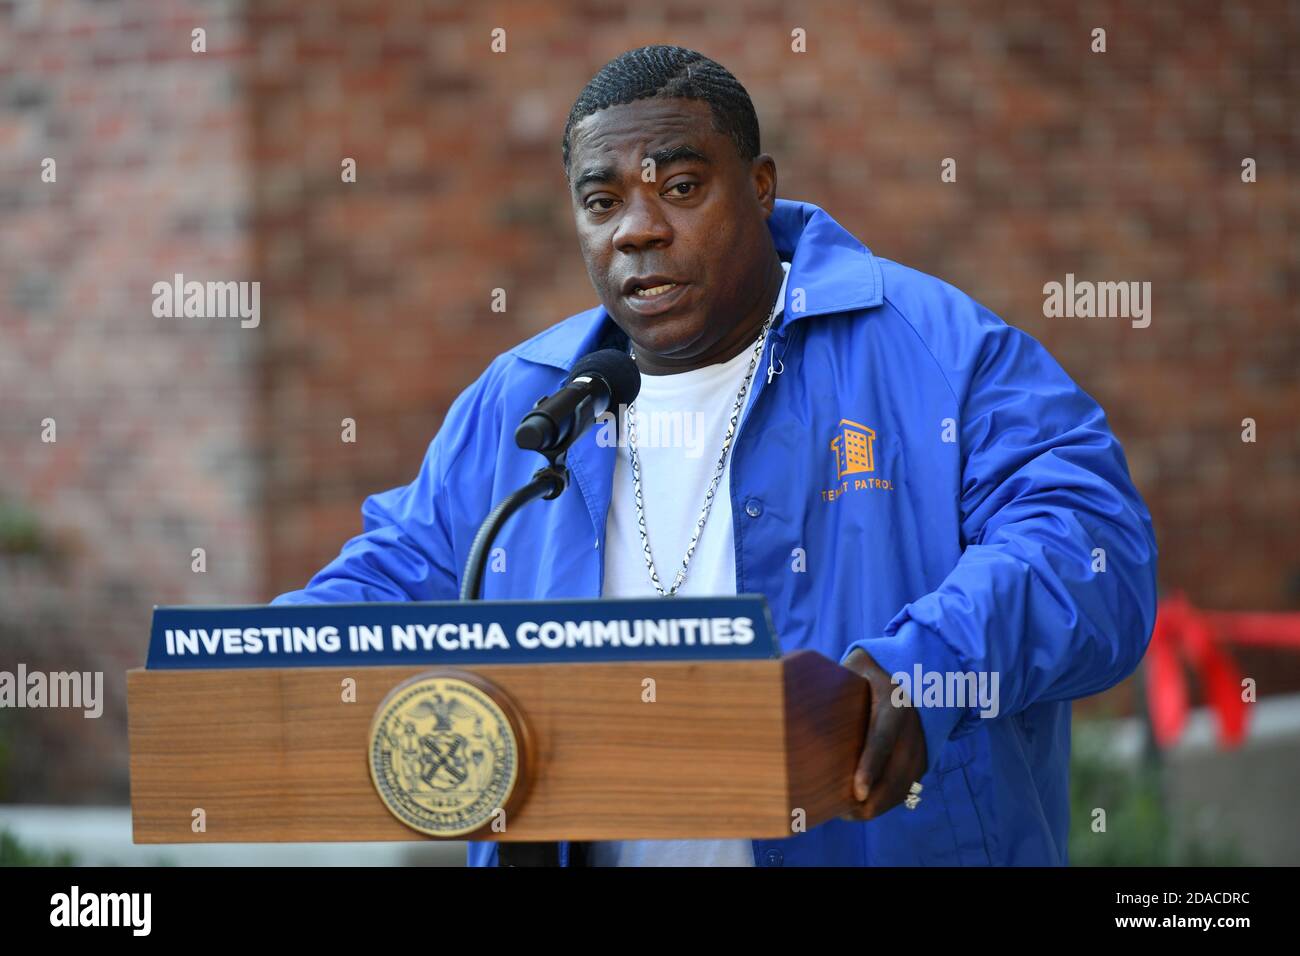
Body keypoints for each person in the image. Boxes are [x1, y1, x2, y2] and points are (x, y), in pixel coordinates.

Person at [272, 45, 1158, 866]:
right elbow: (398, 576)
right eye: (602, 201)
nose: (637, 230)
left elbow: (1090, 549)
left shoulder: (936, 350)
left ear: (761, 188)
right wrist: (260, 664)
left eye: (682, 188)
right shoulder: (528, 401)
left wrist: (932, 663)